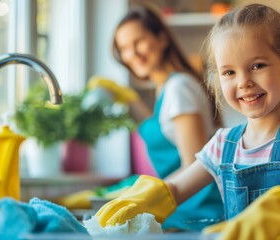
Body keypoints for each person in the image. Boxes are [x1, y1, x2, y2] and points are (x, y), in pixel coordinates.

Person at [94, 3, 280, 239]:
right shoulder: (221, 145)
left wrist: (272, 213)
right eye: (229, 72)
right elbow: (177, 188)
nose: (244, 81)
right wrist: (145, 199)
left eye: (257, 66)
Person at [89, 4, 224, 232]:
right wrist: (129, 99)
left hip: (198, 214)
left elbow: (193, 165)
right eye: (124, 48)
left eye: (138, 41)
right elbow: (162, 129)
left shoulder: (179, 87)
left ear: (161, 39)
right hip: (183, 210)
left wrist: (141, 191)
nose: (132, 53)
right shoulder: (167, 88)